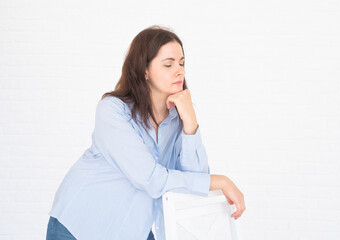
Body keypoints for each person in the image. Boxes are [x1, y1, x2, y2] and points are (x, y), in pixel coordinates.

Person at [46, 25, 246, 240]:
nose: (180, 70)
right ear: (144, 70)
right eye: (168, 64)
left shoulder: (177, 118)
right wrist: (222, 181)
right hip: (80, 226)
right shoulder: (113, 110)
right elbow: (151, 179)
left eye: (181, 63)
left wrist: (191, 123)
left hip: (131, 230)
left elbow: (194, 181)